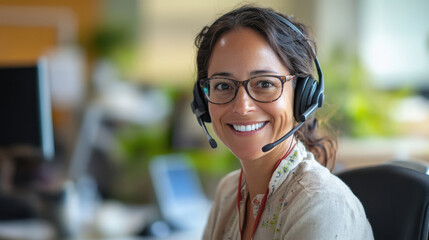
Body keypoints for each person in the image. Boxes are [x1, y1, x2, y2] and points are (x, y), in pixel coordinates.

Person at [191, 5, 374, 240]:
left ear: (302, 97)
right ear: (202, 102)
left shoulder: (321, 203)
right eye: (223, 86)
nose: (242, 107)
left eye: (265, 83)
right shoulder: (229, 191)